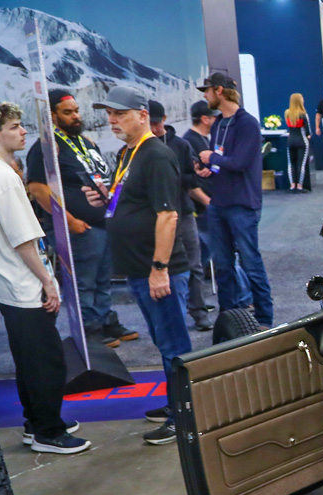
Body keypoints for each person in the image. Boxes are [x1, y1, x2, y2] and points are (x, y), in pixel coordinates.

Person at [0, 101, 87, 454]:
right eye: (15, 127)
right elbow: (22, 238)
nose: (24, 131)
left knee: (30, 359)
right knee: (45, 362)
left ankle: (36, 422)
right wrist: (48, 280)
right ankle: (48, 431)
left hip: (6, 283)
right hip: (22, 284)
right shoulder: (3, 177)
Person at [82, 87, 191, 446]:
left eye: (120, 113)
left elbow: (168, 215)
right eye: (109, 113)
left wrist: (159, 268)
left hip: (157, 269)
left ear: (142, 115)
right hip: (139, 267)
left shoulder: (156, 156)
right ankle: (177, 402)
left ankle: (186, 415)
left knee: (174, 344)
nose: (112, 119)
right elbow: (130, 202)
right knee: (163, 340)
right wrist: (105, 196)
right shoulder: (129, 153)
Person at [24, 88, 138, 350]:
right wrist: (68, 220)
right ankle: (90, 327)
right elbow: (39, 188)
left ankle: (106, 320)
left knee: (102, 278)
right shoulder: (45, 147)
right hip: (76, 226)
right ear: (52, 115)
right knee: (84, 280)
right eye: (68, 112)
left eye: (76, 111)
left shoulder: (86, 143)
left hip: (103, 222)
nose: (75, 116)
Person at [197, 72, 271, 328]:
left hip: (242, 204)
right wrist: (209, 167)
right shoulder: (218, 124)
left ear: (219, 90)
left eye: (206, 90)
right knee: (223, 265)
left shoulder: (247, 123)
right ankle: (228, 318)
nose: (204, 96)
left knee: (251, 262)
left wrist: (211, 159)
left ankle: (264, 318)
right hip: (219, 203)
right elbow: (223, 159)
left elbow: (239, 162)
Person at [148, 100, 213, 333]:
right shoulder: (138, 148)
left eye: (156, 123)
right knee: (158, 267)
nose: (153, 128)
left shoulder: (182, 145)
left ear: (164, 120)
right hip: (152, 217)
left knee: (194, 264)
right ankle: (167, 318)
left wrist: (176, 178)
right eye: (149, 124)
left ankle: (199, 312)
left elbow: (194, 180)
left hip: (182, 213)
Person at [181, 100, 218, 325]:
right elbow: (189, 181)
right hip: (200, 210)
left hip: (208, 207)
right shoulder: (189, 142)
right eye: (214, 117)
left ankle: (196, 302)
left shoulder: (204, 140)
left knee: (204, 257)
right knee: (198, 259)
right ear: (205, 119)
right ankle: (194, 304)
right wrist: (207, 203)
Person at [284, 93, 311, 193]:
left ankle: (292, 185)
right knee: (301, 164)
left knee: (291, 163)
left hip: (291, 140)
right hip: (301, 140)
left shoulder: (287, 114)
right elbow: (308, 131)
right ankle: (299, 186)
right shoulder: (303, 114)